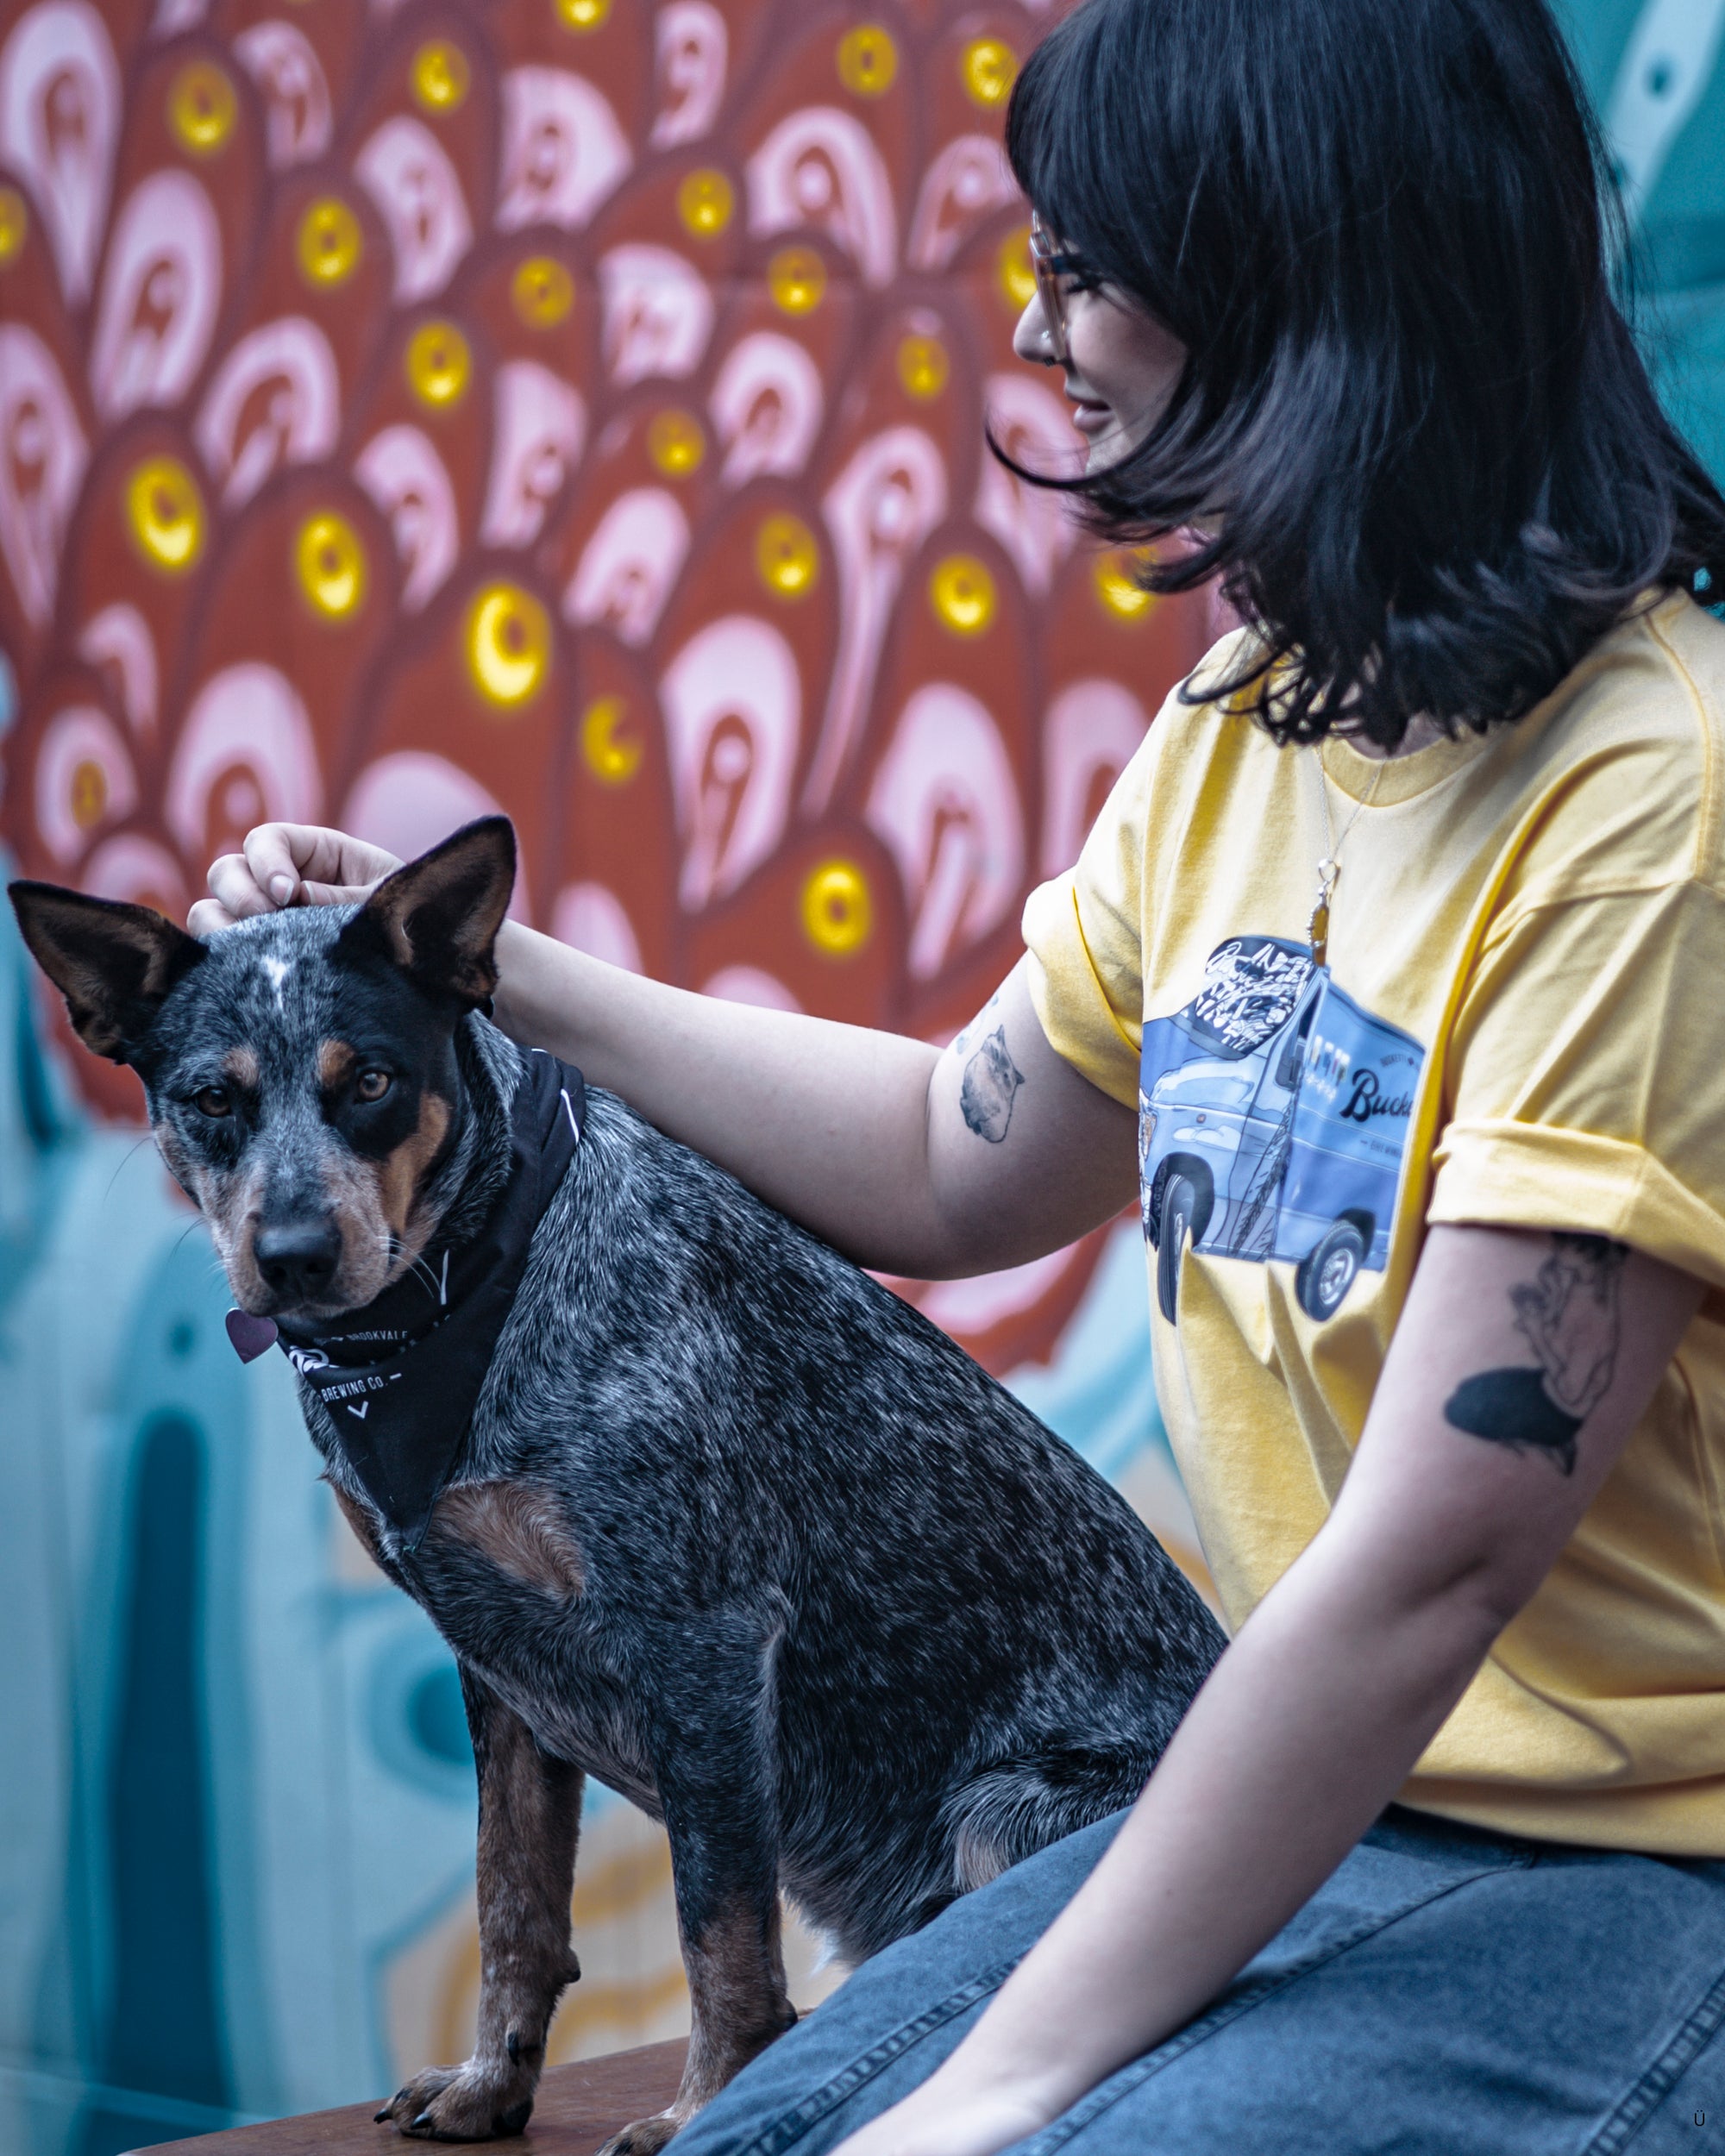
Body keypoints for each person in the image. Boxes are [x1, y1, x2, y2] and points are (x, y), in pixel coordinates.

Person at [194, 0, 1725, 2146]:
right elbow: (950, 1151)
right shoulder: (1247, 725)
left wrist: (998, 2076)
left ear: (1300, 281)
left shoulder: (1652, 807)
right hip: (1325, 1811)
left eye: (1083, 268)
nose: (1039, 332)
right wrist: (491, 971)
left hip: (1637, 1878)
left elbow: (1431, 1568)